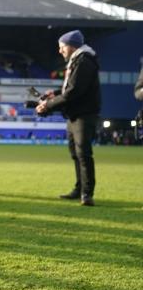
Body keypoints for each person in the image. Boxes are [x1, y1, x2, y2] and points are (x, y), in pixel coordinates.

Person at [36, 30, 101, 206]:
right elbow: (71, 88)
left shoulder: (84, 61)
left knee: (83, 154)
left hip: (83, 114)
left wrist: (48, 105)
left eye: (62, 47)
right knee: (76, 154)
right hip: (75, 114)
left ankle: (87, 194)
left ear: (72, 46)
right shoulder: (78, 60)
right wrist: (55, 93)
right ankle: (80, 189)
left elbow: (74, 91)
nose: (60, 51)